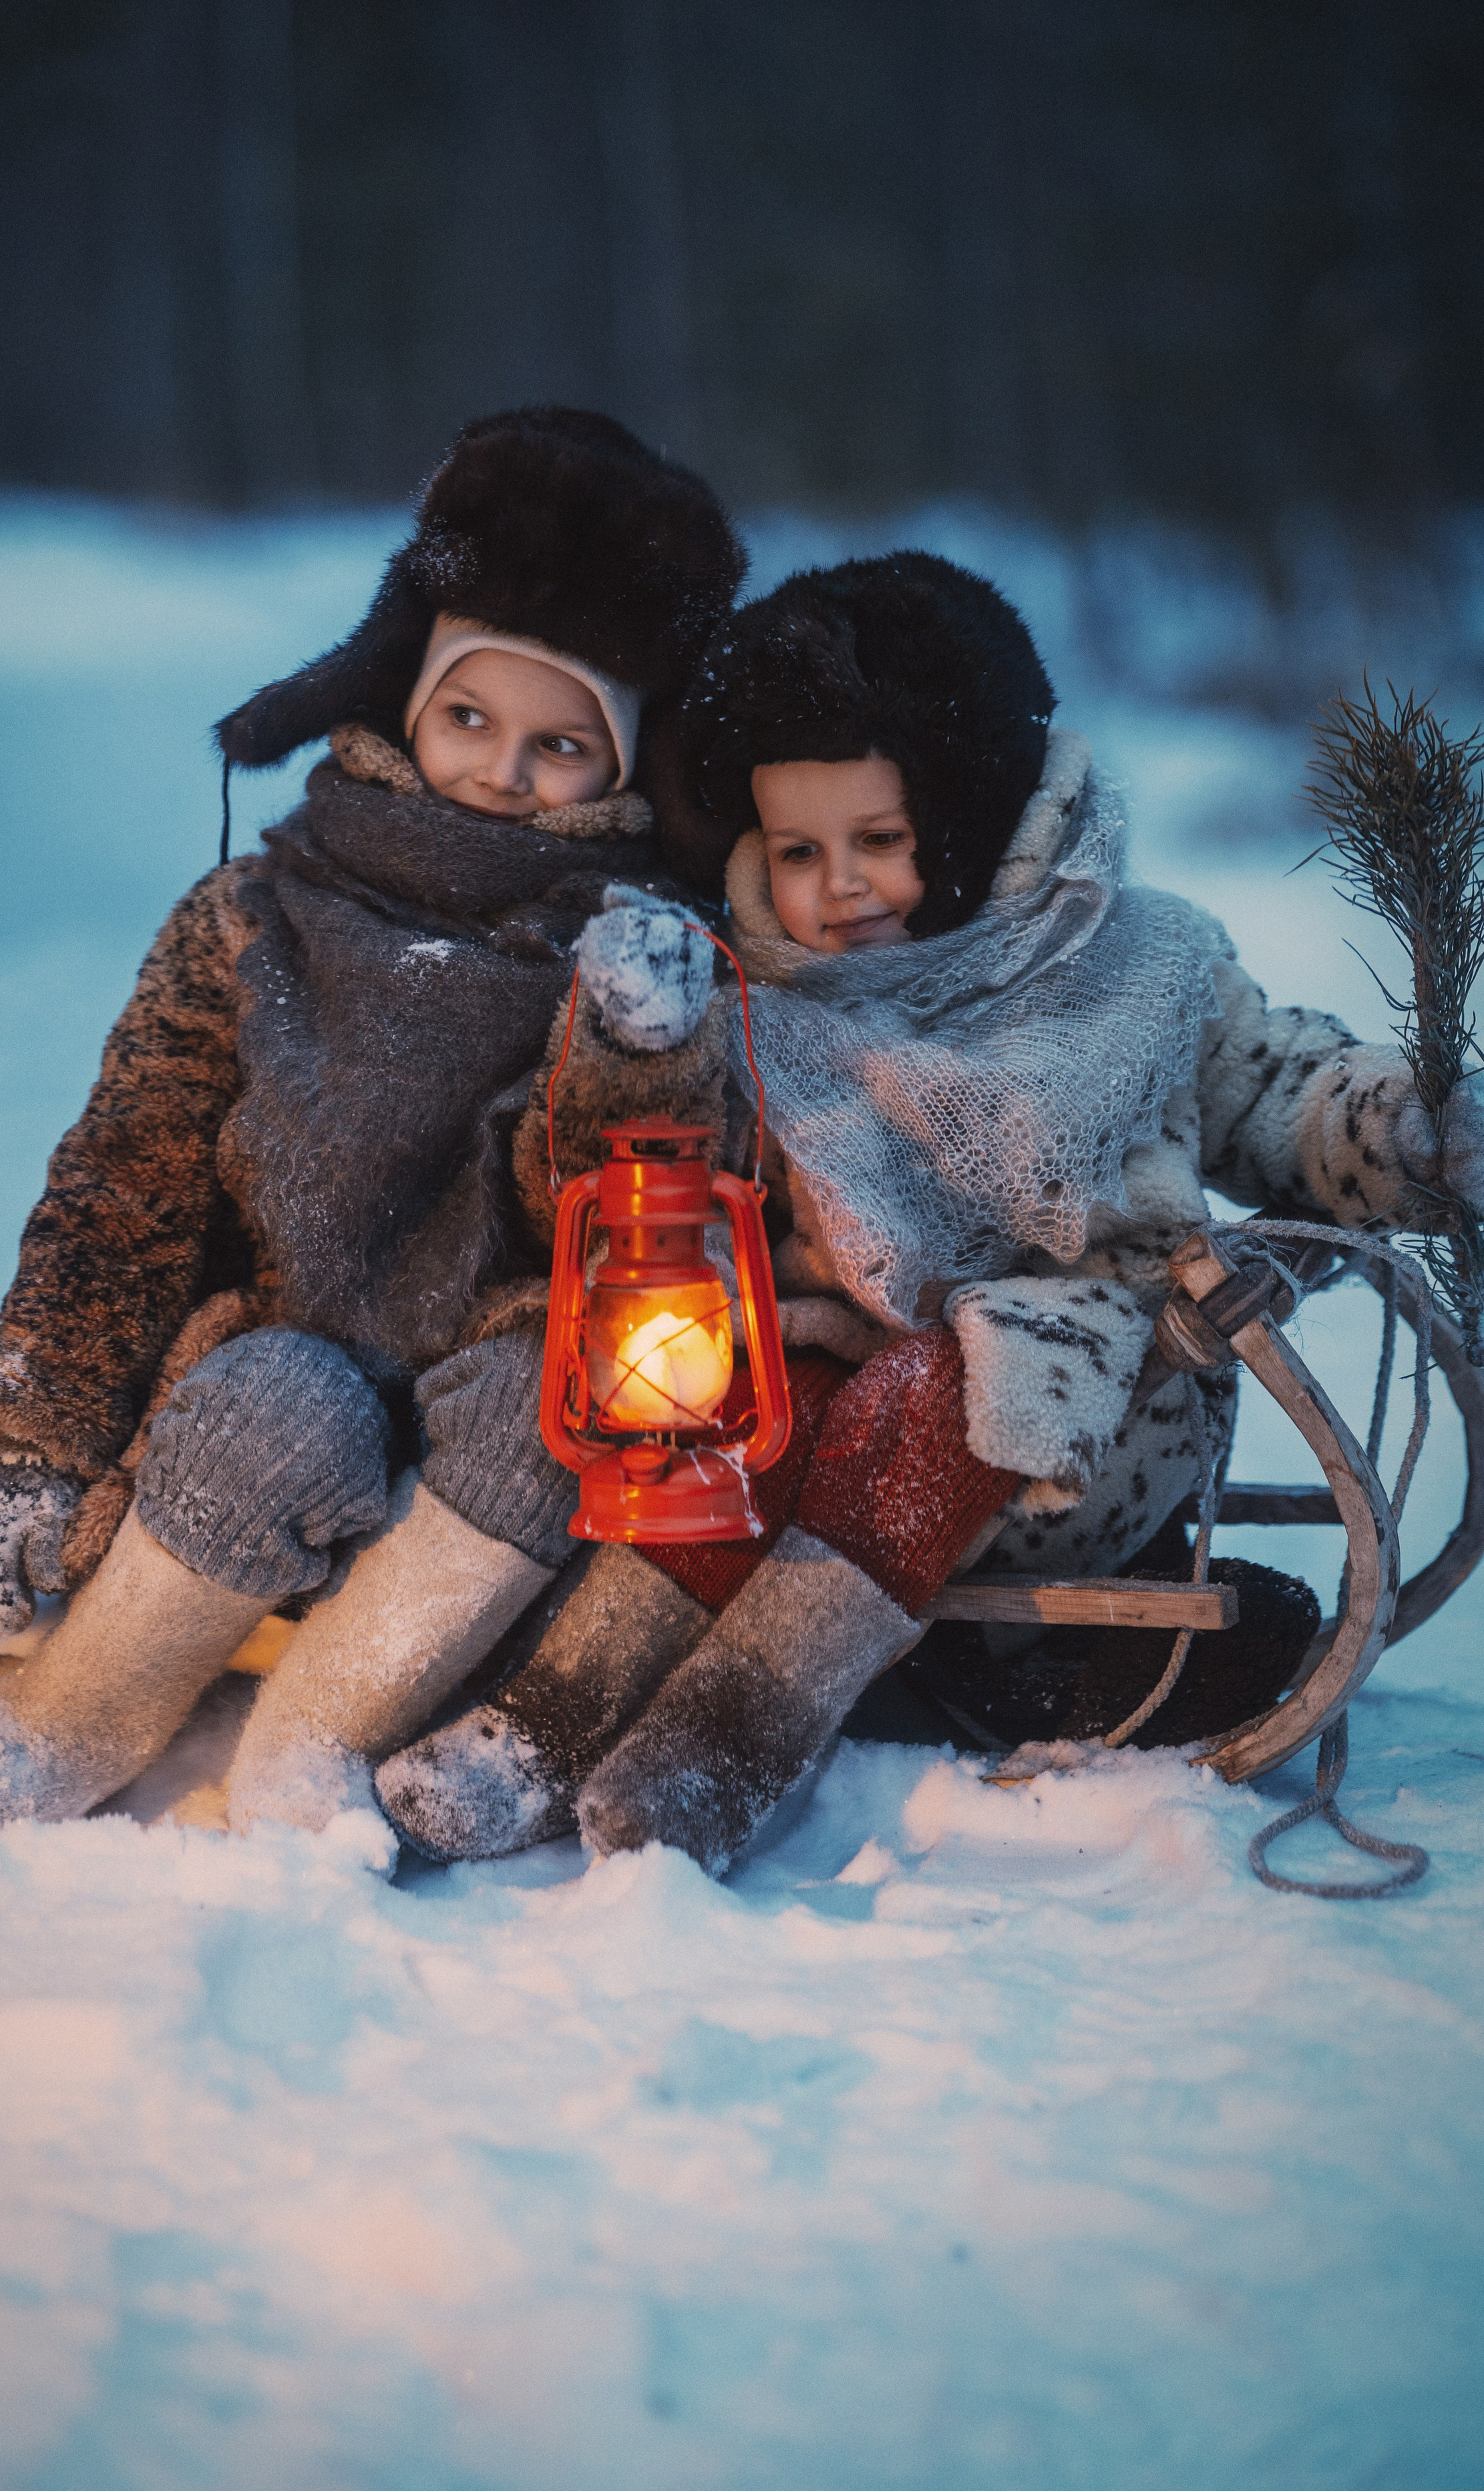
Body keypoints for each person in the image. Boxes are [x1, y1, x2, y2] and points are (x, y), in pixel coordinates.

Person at [379, 549, 1484, 1875]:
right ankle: (544, 1727)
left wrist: (1391, 1125)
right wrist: (642, 1042)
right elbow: (627, 1179)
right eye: (796, 850)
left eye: (879, 841)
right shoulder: (758, 998)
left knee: (928, 1393)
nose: (836, 885)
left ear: (961, 818)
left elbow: (1277, 1087)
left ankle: (724, 1746)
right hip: (807, 1394)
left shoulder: (1139, 968)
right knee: (732, 1419)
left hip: (1087, 1401)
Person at [0, 408, 744, 1842]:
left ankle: (313, 1746)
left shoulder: (646, 951)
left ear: (630, 771)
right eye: (467, 715)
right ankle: (73, 1722)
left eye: (560, 745)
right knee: (267, 1405)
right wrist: (31, 1443)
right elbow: (123, 1193)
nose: (498, 769)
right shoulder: (255, 921)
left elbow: (642, 1199)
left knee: (553, 1410)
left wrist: (641, 1044)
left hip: (497, 1387)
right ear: (405, 695)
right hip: (287, 1356)